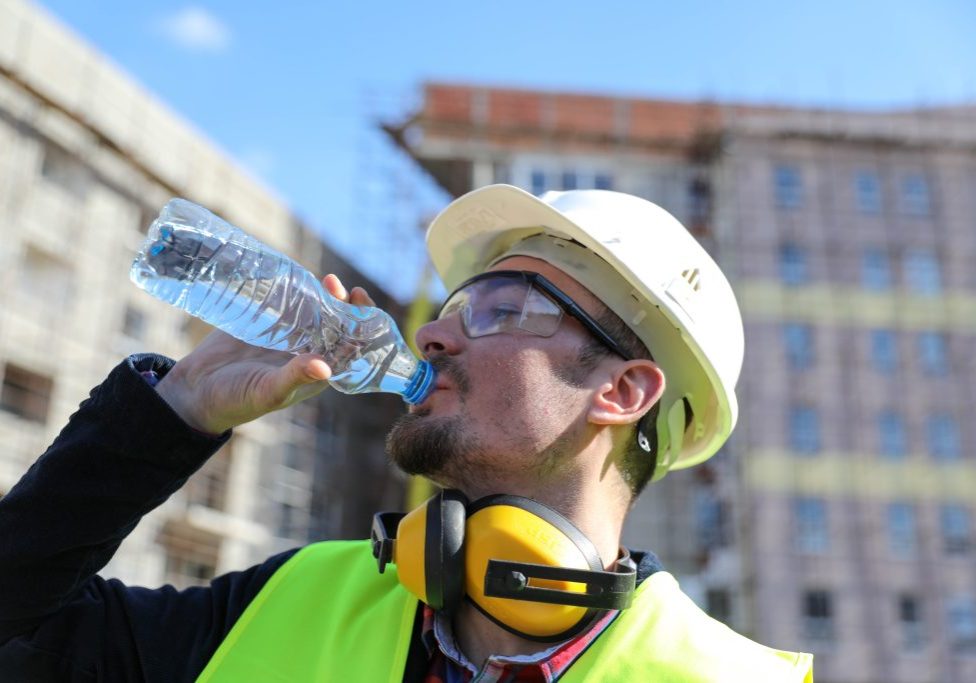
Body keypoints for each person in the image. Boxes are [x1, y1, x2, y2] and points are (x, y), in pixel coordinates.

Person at [0, 184, 814, 681]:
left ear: (623, 388)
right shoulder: (293, 598)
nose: (432, 335)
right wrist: (171, 413)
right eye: (453, 307)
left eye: (501, 309)